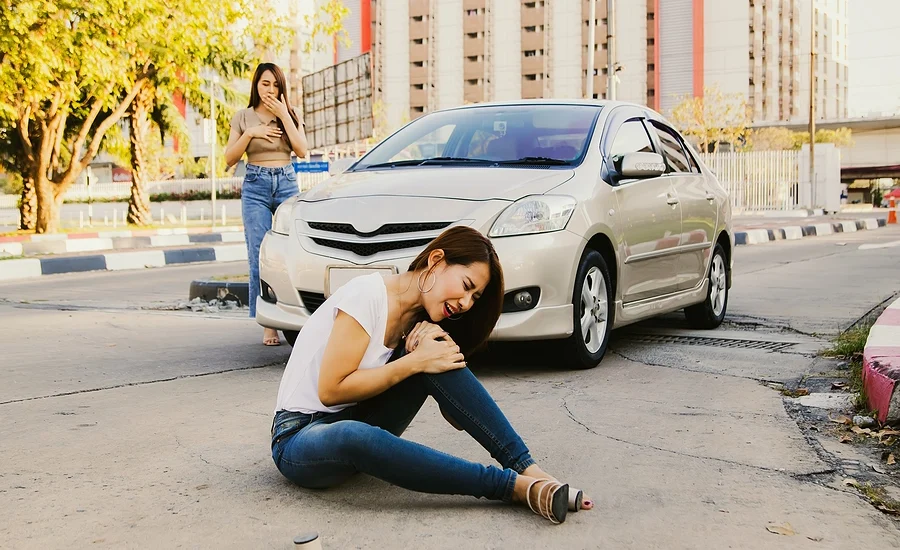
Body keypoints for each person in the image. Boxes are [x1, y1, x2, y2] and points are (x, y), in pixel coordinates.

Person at [270, 226, 593, 524]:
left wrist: (434, 353)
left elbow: (457, 417)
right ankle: (512, 487)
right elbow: (331, 391)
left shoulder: (419, 322)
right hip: (300, 438)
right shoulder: (366, 295)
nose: (466, 302)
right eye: (466, 286)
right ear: (436, 261)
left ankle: (530, 470)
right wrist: (415, 362)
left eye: (475, 297)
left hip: (360, 421)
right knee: (354, 432)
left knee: (434, 352)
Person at [225, 62, 308, 346]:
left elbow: (302, 150)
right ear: (256, 86)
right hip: (256, 185)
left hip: (286, 181)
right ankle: (268, 323)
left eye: (275, 85)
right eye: (265, 84)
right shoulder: (243, 117)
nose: (270, 90)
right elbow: (229, 158)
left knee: (292, 251)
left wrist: (284, 115)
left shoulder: (290, 114)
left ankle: (298, 316)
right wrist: (251, 134)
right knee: (258, 254)